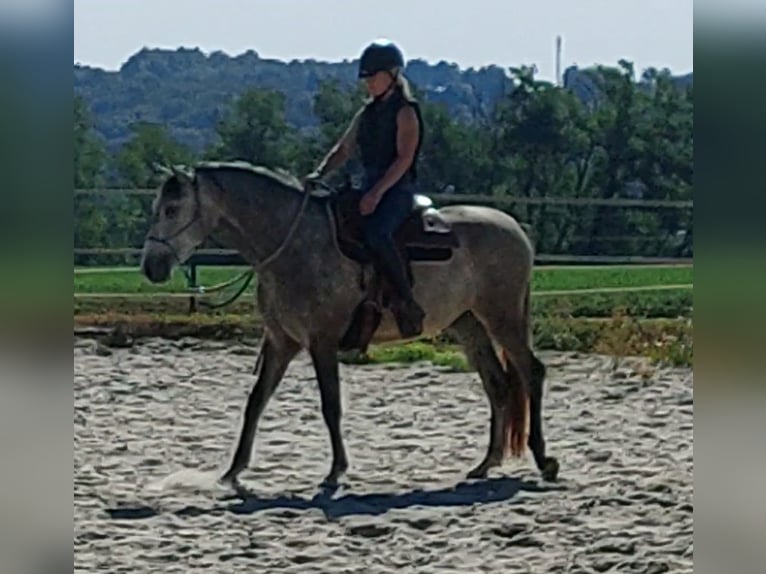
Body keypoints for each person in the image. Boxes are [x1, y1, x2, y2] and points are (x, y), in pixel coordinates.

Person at [304, 39, 426, 338]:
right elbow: (343, 149)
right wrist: (319, 173)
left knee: (377, 233)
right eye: (366, 78)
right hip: (369, 182)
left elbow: (404, 158)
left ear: (393, 75)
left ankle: (405, 301)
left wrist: (377, 193)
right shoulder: (366, 114)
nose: (369, 83)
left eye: (374, 76)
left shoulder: (405, 112)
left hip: (397, 188)